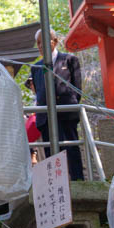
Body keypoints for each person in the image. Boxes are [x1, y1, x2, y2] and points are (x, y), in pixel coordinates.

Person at [28, 29, 84, 180]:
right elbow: (39, 93)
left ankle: (77, 180)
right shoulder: (36, 67)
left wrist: (67, 106)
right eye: (38, 43)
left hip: (65, 114)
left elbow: (77, 90)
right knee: (50, 153)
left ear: (55, 41)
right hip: (45, 117)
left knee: (71, 148)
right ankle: (54, 184)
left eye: (43, 42)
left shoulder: (69, 60)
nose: (40, 46)